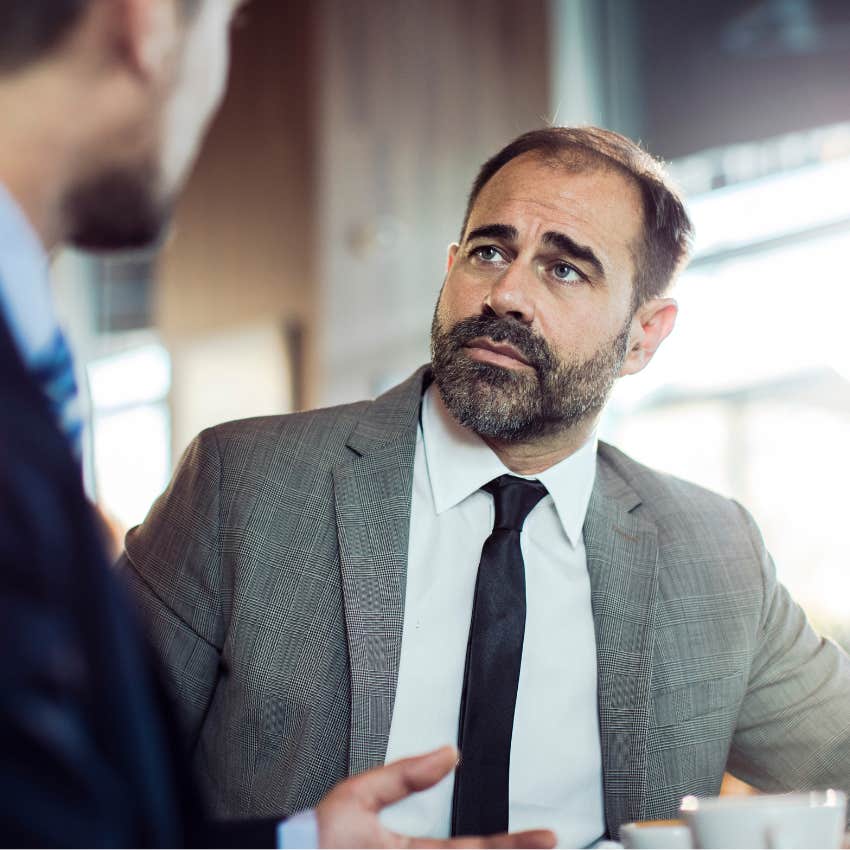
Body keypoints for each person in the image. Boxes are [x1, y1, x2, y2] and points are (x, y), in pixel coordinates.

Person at [122, 122, 850, 844]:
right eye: (490, 252)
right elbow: (80, 785)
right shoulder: (245, 486)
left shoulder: (716, 554)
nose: (506, 294)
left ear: (644, 335)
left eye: (565, 270)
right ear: (451, 268)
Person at [0, 1, 559, 847]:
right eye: (228, 26)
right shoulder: (238, 480)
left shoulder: (26, 350)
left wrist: (301, 843)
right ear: (146, 21)